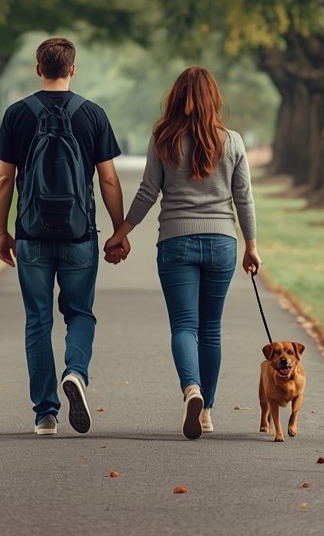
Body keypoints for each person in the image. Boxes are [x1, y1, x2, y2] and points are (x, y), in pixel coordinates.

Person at [104, 66, 260, 440]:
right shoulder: (233, 141)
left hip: (175, 242)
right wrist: (251, 245)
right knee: (211, 330)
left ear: (175, 98)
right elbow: (244, 199)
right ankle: (206, 411)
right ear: (214, 99)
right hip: (222, 242)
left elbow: (147, 192)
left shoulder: (163, 138)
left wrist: (121, 232)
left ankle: (191, 388)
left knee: (184, 326)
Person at [0, 37, 125, 436]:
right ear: (72, 68)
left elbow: (4, 179)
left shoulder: (17, 114)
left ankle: (45, 414)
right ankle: (76, 373)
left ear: (38, 69)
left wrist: (2, 231)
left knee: (37, 320)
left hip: (31, 235)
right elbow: (108, 178)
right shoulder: (92, 114)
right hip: (78, 234)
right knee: (80, 314)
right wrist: (119, 229)